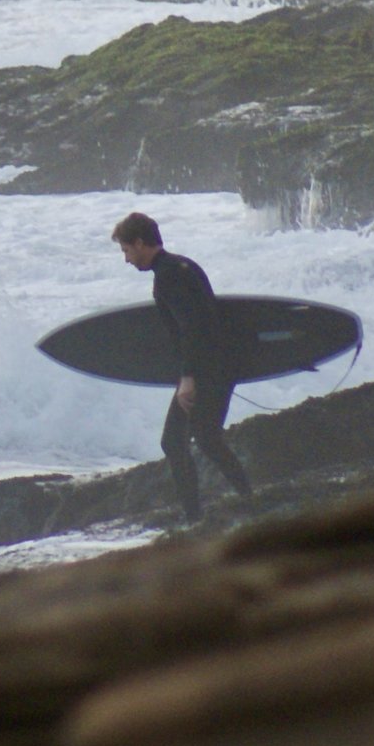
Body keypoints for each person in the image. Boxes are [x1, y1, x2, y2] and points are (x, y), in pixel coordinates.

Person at [113, 212, 253, 522]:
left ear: (139, 243)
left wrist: (188, 378)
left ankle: (197, 517)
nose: (126, 259)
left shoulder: (168, 276)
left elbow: (192, 326)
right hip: (218, 366)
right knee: (203, 438)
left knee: (177, 442)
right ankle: (245, 499)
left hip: (204, 371)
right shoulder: (182, 265)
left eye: (125, 250)